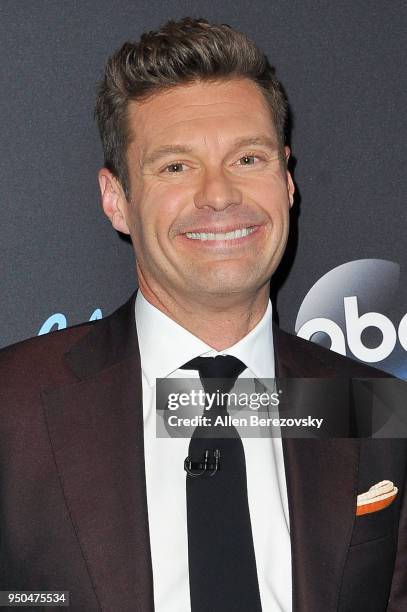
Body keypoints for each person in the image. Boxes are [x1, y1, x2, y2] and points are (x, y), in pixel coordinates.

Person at [0, 17, 406, 612]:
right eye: (175, 166)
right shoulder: (14, 406)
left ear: (287, 181)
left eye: (248, 159)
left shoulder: (368, 405)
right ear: (117, 200)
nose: (219, 196)